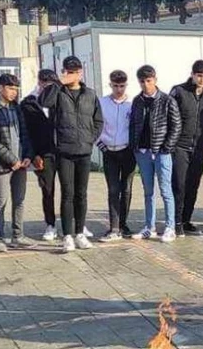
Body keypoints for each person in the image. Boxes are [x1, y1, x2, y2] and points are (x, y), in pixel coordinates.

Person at [39, 56, 103, 252]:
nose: (72, 74)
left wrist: (89, 139)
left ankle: (80, 233)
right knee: (67, 193)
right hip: (64, 151)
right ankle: (67, 236)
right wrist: (58, 83)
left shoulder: (90, 94)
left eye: (75, 71)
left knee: (81, 194)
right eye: (68, 71)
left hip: (83, 151)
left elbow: (98, 121)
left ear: (81, 72)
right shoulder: (58, 92)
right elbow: (44, 101)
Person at [129, 65, 181, 244]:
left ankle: (170, 227)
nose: (145, 84)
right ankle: (149, 227)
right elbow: (133, 125)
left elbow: (176, 126)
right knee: (148, 191)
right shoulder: (137, 101)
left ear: (155, 80)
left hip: (161, 152)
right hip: (142, 152)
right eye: (142, 81)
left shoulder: (167, 100)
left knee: (166, 190)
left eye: (148, 81)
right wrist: (134, 146)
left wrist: (166, 147)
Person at [0, 73, 32, 251]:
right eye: (10, 88)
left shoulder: (17, 109)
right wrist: (11, 160)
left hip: (21, 164)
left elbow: (25, 134)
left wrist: (27, 156)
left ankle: (18, 235)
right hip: (2, 165)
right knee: (1, 199)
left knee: (20, 199)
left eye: (16, 89)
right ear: (0, 88)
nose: (13, 92)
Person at [169, 60, 203, 236]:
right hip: (180, 146)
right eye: (199, 75)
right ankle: (176, 221)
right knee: (179, 185)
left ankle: (187, 219)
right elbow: (169, 117)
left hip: (199, 147)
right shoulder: (179, 91)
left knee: (193, 185)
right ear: (192, 74)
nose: (202, 79)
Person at [22, 69, 61, 241]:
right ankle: (50, 224)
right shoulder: (28, 103)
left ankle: (76, 224)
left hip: (64, 151)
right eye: (44, 83)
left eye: (51, 83)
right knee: (48, 190)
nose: (48, 86)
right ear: (39, 82)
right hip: (43, 153)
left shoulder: (61, 99)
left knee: (71, 189)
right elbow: (28, 133)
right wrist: (34, 155)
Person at [97, 70, 134, 241]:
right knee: (113, 189)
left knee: (126, 189)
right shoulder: (102, 103)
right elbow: (94, 124)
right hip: (109, 151)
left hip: (127, 151)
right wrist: (100, 143)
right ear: (110, 84)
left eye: (122, 86)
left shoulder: (132, 104)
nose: (119, 89)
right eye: (115, 86)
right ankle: (113, 227)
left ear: (126, 85)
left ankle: (123, 224)